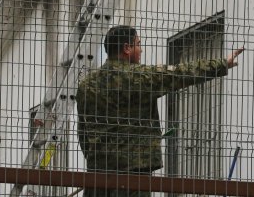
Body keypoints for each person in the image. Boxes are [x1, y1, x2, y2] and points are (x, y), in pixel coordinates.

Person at [75, 25, 244, 197]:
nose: (141, 50)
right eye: (138, 44)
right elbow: (180, 73)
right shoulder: (139, 77)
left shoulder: (86, 85)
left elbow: (83, 131)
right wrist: (222, 64)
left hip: (97, 176)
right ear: (127, 48)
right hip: (133, 176)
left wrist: (97, 158)